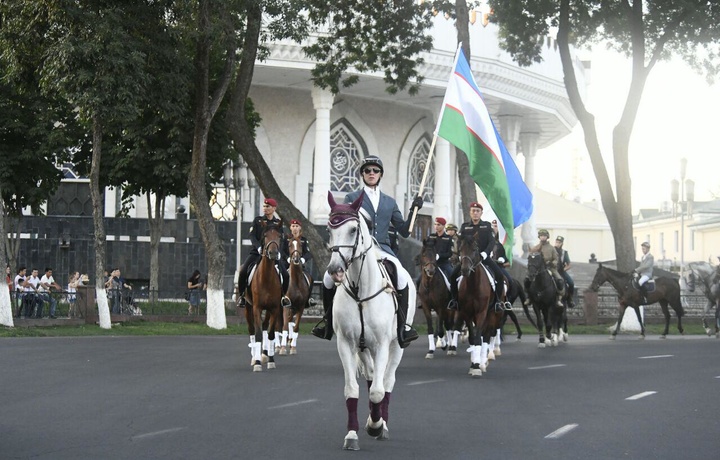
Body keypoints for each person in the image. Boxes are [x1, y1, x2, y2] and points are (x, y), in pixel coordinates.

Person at [312, 155, 423, 348]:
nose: (371, 173)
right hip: (357, 250)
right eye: (367, 171)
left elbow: (404, 230)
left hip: (383, 249)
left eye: (375, 171)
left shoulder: (390, 202)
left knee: (402, 278)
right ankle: (328, 324)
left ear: (380, 175)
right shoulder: (351, 198)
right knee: (328, 279)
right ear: (362, 174)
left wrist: (414, 209)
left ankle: (403, 327)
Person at [449, 202, 507, 311]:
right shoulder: (465, 227)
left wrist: (485, 253)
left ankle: (498, 302)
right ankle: (454, 301)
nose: (475, 213)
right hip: (468, 258)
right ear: (470, 213)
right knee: (452, 276)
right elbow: (460, 242)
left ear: (481, 213)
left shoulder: (486, 226)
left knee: (499, 275)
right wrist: (461, 254)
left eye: (477, 211)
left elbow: (491, 241)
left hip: (483, 258)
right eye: (473, 211)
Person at [236, 198, 291, 309]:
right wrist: (259, 248)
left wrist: (279, 252)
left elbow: (282, 240)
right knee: (243, 271)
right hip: (257, 253)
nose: (265, 208)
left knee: (285, 274)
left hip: (273, 255)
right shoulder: (258, 221)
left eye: (268, 206)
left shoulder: (277, 223)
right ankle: (242, 296)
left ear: (274, 208)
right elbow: (252, 236)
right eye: (264, 206)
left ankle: (284, 297)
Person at [526, 229, 564, 308]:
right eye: (541, 236)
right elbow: (531, 258)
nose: (543, 237)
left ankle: (558, 298)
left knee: (560, 280)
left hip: (550, 268)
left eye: (544, 236)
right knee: (526, 280)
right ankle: (529, 297)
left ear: (547, 237)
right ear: (539, 237)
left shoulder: (551, 248)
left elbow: (556, 259)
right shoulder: (535, 248)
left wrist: (552, 263)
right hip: (537, 270)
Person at [490, 220, 514, 310]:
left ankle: (507, 300)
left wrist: (503, 260)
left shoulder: (504, 243)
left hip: (499, 266)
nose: (494, 228)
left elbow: (508, 257)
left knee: (510, 281)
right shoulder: (488, 239)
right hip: (487, 264)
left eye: (496, 226)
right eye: (493, 226)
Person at [554, 236, 575, 308]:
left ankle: (570, 298)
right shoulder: (551, 250)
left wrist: (564, 269)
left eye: (559, 242)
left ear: (562, 244)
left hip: (561, 271)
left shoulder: (564, 253)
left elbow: (569, 265)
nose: (557, 244)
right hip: (552, 270)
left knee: (571, 283)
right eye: (556, 242)